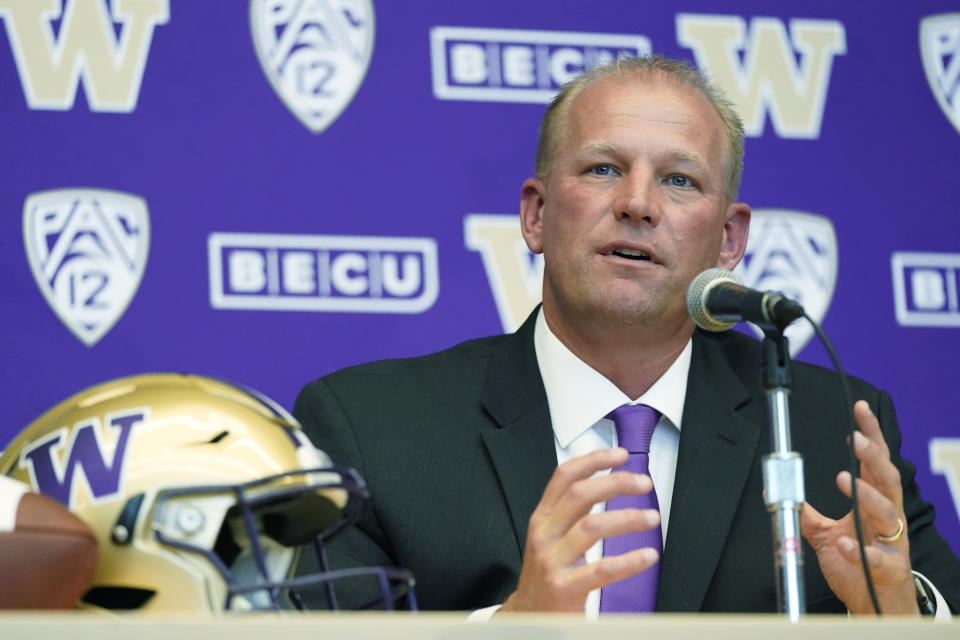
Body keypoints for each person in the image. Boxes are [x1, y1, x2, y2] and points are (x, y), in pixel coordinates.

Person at [293, 56, 960, 616]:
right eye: (603, 168)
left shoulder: (823, 429)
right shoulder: (372, 430)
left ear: (729, 240)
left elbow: (935, 604)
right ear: (536, 214)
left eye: (678, 179)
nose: (638, 204)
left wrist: (901, 612)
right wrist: (510, 628)